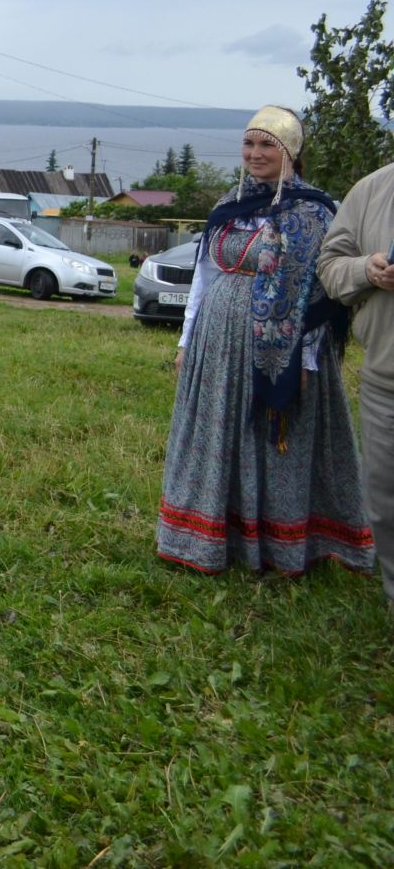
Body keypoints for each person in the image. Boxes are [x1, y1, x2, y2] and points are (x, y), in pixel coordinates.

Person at [158, 106, 373, 578]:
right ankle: (210, 535)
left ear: (291, 152)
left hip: (285, 349)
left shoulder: (314, 212)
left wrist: (304, 357)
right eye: (249, 144)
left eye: (266, 146)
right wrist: (185, 340)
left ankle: (283, 548)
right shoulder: (230, 203)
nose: (255, 154)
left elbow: (321, 289)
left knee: (277, 443)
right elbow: (205, 275)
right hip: (219, 344)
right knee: (218, 434)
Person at [315, 152, 394, 612]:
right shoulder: (370, 190)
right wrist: (368, 269)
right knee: (385, 499)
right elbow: (330, 264)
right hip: (386, 376)